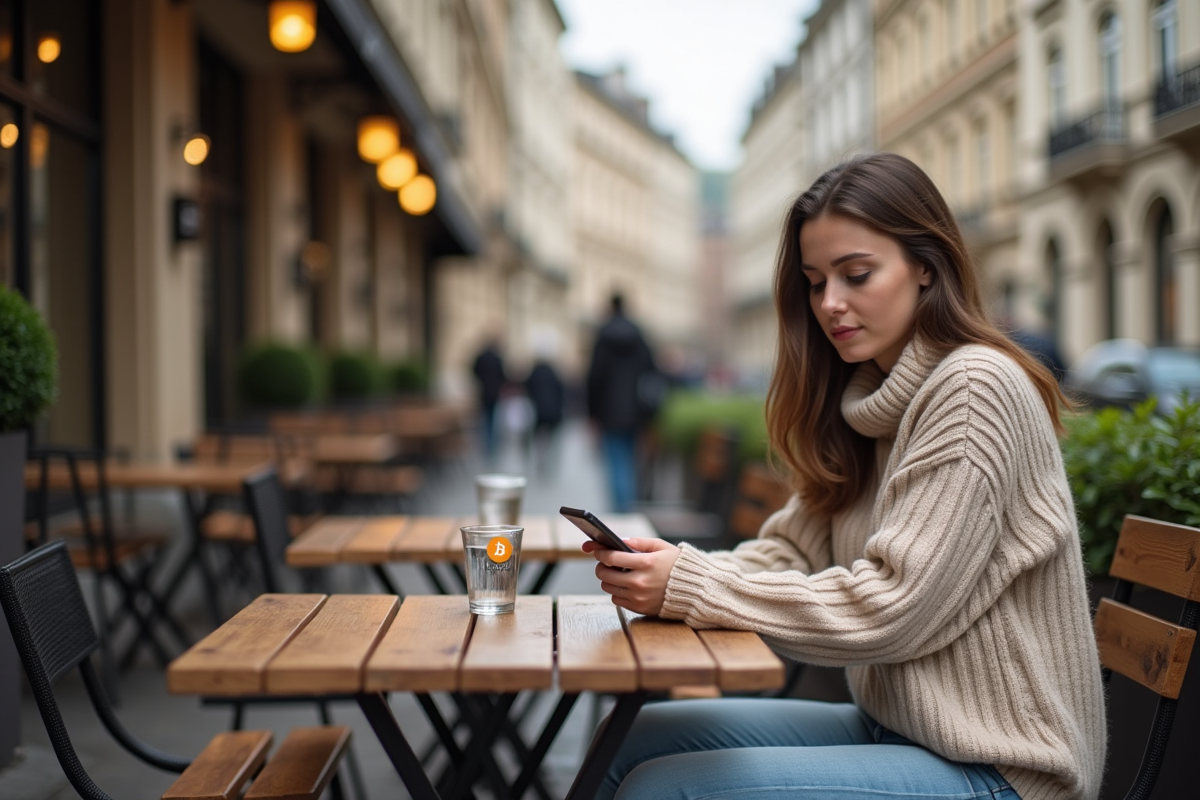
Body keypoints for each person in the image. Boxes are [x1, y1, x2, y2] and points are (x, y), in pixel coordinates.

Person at [585, 154, 1106, 800]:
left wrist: (692, 584)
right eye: (814, 281)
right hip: (902, 728)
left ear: (925, 264)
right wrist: (671, 567)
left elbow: (892, 607)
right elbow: (790, 552)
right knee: (630, 740)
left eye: (856, 275)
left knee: (667, 789)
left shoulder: (974, 389)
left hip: (1007, 767)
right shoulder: (868, 399)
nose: (830, 303)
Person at [586, 293, 657, 512]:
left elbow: (594, 379)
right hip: (636, 412)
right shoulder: (639, 336)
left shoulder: (603, 337)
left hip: (609, 412)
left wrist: (592, 414)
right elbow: (652, 374)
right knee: (630, 463)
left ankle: (621, 512)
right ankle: (628, 510)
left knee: (616, 464)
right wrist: (650, 415)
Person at [471, 336, 506, 461]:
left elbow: (474, 370)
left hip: (484, 392)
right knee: (493, 419)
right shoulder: (497, 358)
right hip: (495, 393)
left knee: (485, 419)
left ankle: (486, 445)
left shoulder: (481, 357)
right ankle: (492, 445)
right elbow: (504, 375)